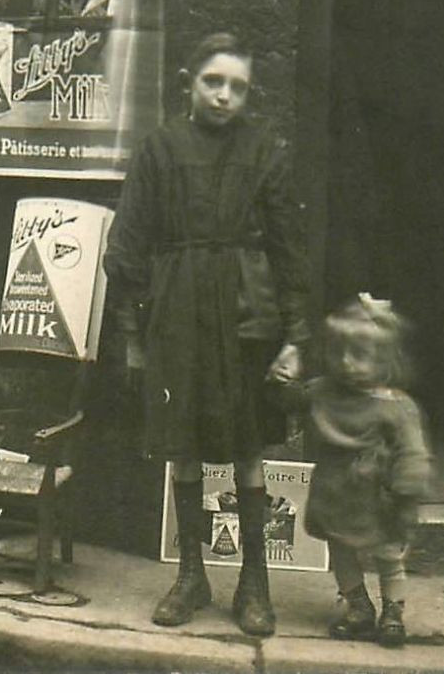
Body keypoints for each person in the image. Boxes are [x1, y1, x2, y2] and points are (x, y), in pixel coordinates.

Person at [104, 32, 311, 636]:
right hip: (176, 318)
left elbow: (289, 251)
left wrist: (297, 338)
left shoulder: (266, 152)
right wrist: (134, 334)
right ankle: (191, 574)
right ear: (188, 82)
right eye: (213, 82)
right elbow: (127, 249)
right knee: (184, 446)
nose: (224, 96)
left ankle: (254, 582)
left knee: (248, 449)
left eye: (238, 87)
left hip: (247, 321)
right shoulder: (159, 150)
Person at [270, 294, 432, 647]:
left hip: (379, 494)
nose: (346, 363)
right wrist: (284, 381)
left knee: (389, 555)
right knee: (341, 551)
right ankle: (358, 606)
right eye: (339, 353)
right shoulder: (324, 391)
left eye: (359, 355)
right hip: (336, 492)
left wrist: (406, 493)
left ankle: (393, 611)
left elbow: (412, 453)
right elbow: (293, 402)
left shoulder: (395, 406)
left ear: (385, 359)